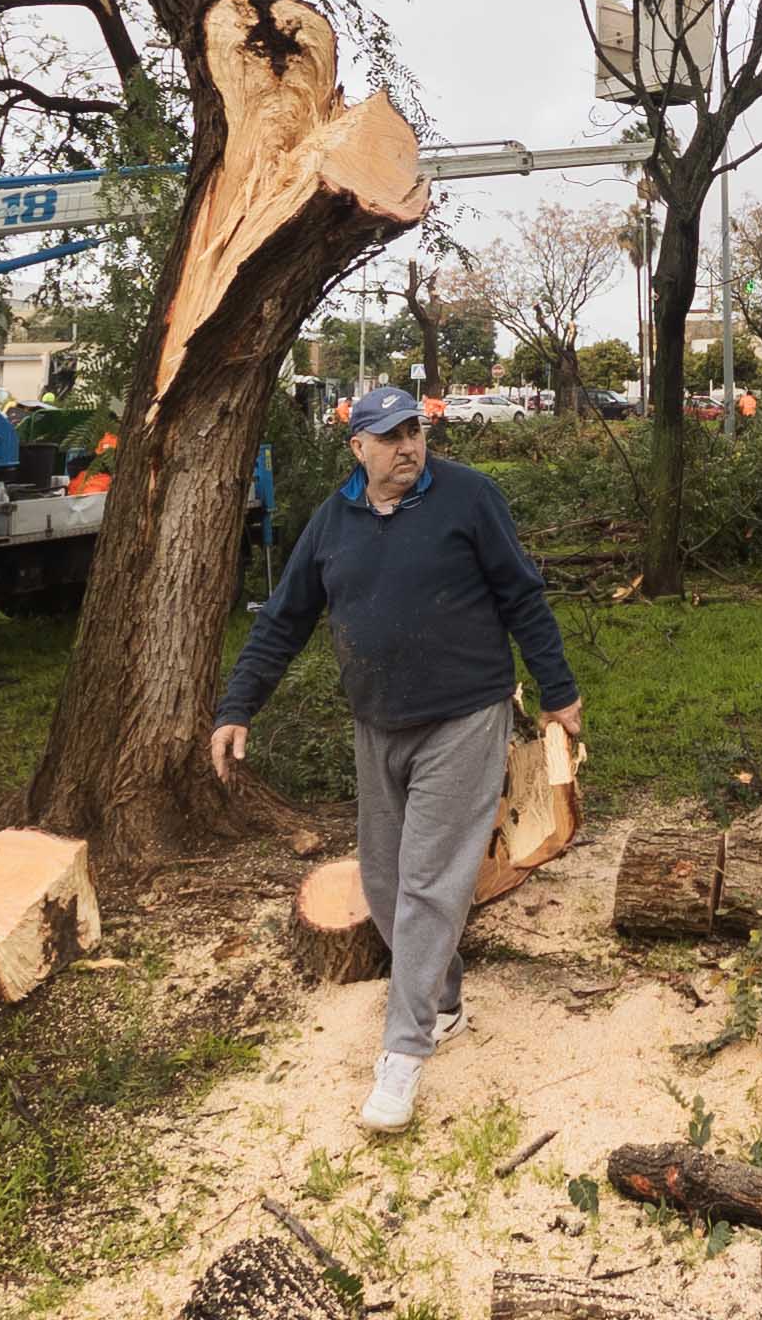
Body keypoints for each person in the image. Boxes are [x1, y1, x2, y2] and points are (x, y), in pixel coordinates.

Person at [208, 385, 583, 1133]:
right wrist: (237, 705)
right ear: (359, 449)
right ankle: (441, 1003)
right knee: (384, 883)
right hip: (377, 722)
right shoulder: (332, 520)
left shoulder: (470, 498)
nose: (408, 446)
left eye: (415, 431)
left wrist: (558, 691)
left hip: (464, 715)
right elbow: (284, 618)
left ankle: (402, 1053)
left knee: (427, 883)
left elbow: (522, 596)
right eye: (390, 436)